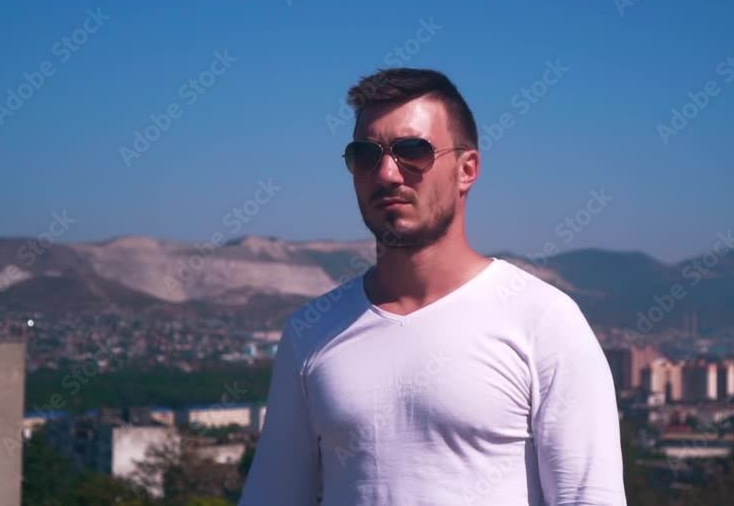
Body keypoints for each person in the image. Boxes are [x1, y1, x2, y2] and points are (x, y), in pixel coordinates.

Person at [239, 68, 627, 505]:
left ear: (467, 170)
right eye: (365, 154)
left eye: (412, 151)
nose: (387, 173)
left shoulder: (544, 321)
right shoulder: (310, 332)